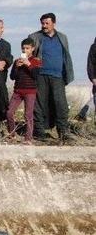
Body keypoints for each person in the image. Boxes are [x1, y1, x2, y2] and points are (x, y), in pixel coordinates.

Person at [28, 13, 74, 141]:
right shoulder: (34, 37)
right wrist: (37, 64)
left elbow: (66, 57)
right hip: (40, 75)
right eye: (42, 23)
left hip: (58, 76)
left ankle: (63, 132)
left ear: (54, 23)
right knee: (40, 104)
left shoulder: (62, 38)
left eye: (47, 23)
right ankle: (39, 132)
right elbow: (27, 56)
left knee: (61, 104)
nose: (44, 26)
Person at [6, 38, 42, 144]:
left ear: (32, 49)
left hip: (30, 91)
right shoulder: (17, 61)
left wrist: (28, 64)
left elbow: (36, 76)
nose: (25, 50)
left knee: (28, 115)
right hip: (18, 91)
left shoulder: (36, 61)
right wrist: (16, 67)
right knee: (9, 112)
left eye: (27, 48)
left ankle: (28, 138)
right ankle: (11, 134)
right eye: (23, 48)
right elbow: (12, 77)